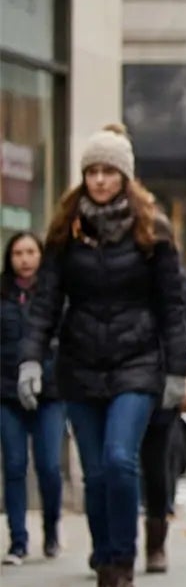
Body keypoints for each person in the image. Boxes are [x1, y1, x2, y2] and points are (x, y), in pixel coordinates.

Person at [17, 123, 186, 587]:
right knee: (95, 474)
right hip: (80, 364)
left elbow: (171, 305)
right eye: (91, 171)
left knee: (120, 460)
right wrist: (31, 357)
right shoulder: (66, 228)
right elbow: (46, 302)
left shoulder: (151, 228)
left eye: (107, 171)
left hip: (137, 363)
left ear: (124, 175)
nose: (98, 180)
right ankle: (104, 571)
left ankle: (125, 570)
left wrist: (176, 371)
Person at [0, 232, 63, 562]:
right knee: (13, 466)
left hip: (50, 393)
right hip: (7, 393)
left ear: (40, 255)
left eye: (30, 252)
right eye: (17, 254)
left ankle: (51, 530)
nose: (24, 259)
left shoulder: (53, 295)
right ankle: (18, 541)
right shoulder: (3, 295)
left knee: (49, 466)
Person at [139, 265, 186, 573]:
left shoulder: (168, 267)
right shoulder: (89, 257)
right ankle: (112, 545)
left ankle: (155, 537)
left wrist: (173, 351)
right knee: (112, 463)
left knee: (156, 459)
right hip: (107, 371)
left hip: (161, 374)